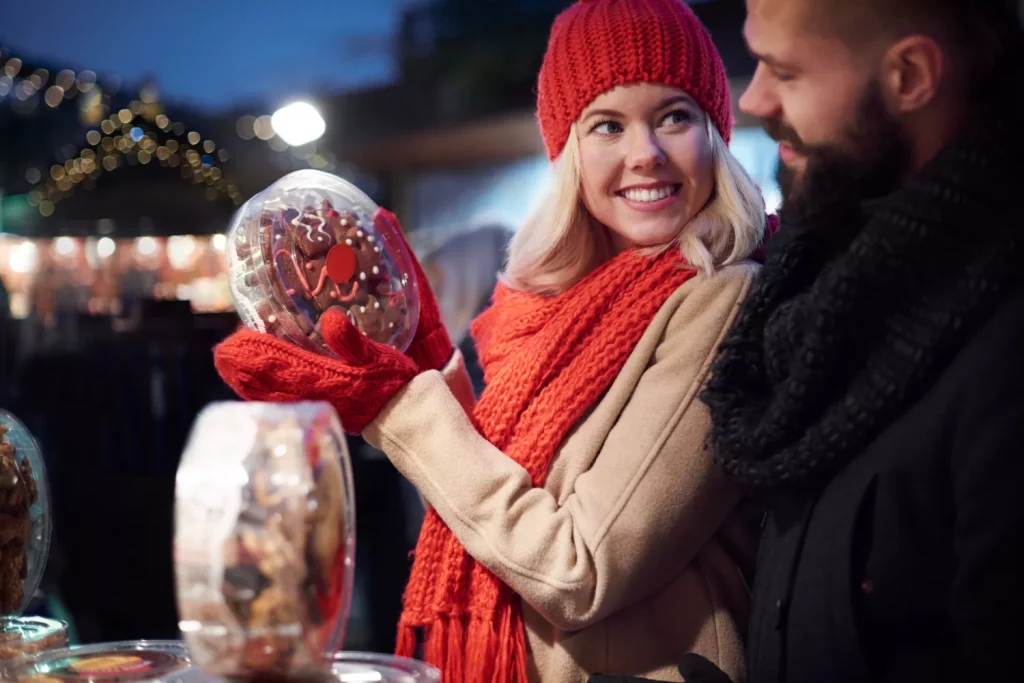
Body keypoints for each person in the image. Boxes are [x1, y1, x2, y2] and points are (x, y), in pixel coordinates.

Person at [213, 1, 772, 681]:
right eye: (607, 124)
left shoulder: (722, 293)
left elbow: (578, 569)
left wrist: (403, 409)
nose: (644, 154)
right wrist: (430, 365)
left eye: (675, 115)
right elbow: (506, 505)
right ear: (568, 149)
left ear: (716, 130)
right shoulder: (549, 302)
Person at [643, 1, 1021, 682]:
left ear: (909, 75)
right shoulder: (815, 277)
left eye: (784, 71)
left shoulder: (1000, 346)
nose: (753, 97)